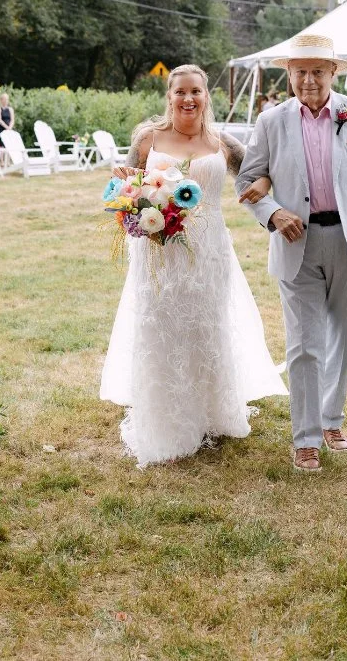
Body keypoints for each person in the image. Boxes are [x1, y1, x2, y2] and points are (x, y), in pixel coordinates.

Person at [236, 34, 347, 473]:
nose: (308, 80)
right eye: (300, 72)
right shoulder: (271, 121)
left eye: (318, 71)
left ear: (334, 72)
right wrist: (274, 213)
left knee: (341, 338)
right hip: (297, 243)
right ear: (289, 75)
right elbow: (247, 182)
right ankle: (306, 438)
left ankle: (331, 419)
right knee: (303, 344)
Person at [99, 65, 287, 467]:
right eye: (180, 92)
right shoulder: (148, 138)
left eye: (196, 92)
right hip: (159, 248)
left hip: (209, 249)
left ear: (206, 96)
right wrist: (125, 186)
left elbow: (260, 172)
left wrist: (266, 188)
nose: (188, 99)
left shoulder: (223, 144)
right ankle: (165, 420)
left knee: (206, 323)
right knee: (163, 324)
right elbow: (128, 187)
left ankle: (212, 412)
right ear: (169, 96)